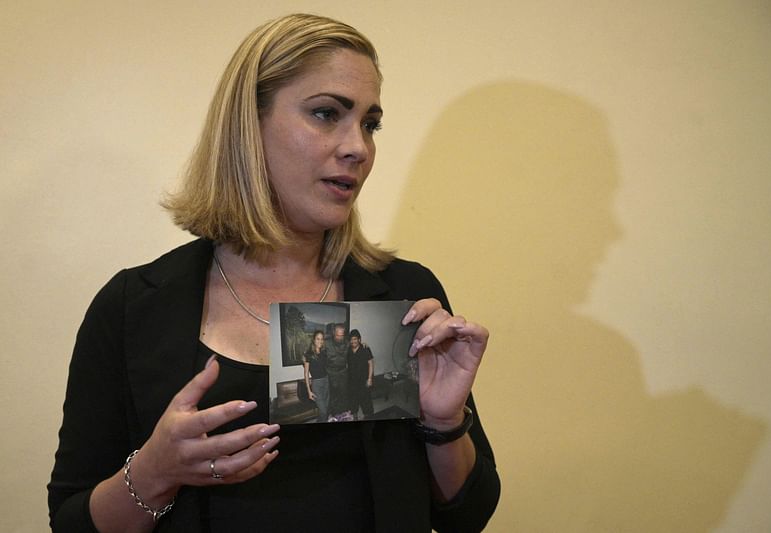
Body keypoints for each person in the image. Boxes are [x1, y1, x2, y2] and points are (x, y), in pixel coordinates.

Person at [48, 13, 500, 533]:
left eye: (370, 123)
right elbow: (71, 523)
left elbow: (468, 515)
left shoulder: (404, 295)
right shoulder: (133, 306)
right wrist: (152, 473)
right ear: (249, 125)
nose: (358, 146)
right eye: (327, 113)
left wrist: (443, 422)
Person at [325, 323, 352, 421]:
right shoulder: (326, 343)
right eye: (338, 335)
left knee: (344, 394)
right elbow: (314, 349)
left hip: (343, 372)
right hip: (331, 373)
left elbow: (357, 344)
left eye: (342, 335)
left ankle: (343, 414)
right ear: (333, 333)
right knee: (333, 396)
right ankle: (333, 415)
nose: (340, 338)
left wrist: (364, 344)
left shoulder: (347, 343)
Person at [302, 330, 329, 422]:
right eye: (318, 339)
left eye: (322, 339)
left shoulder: (324, 352)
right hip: (316, 384)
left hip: (326, 381)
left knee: (325, 410)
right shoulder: (308, 354)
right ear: (313, 340)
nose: (320, 341)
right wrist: (309, 391)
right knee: (324, 411)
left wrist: (363, 343)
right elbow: (306, 374)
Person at [347, 329, 375, 419]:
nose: (353, 341)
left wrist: (370, 378)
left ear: (359, 339)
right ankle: (355, 418)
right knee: (353, 401)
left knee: (366, 402)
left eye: (355, 339)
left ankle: (368, 418)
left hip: (364, 380)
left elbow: (371, 363)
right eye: (351, 339)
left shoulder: (365, 349)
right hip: (352, 381)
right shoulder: (348, 350)